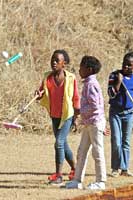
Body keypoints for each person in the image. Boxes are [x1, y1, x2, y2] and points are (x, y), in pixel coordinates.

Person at [36, 49, 80, 185]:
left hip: (67, 115)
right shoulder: (47, 77)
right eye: (52, 60)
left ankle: (59, 175)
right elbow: (41, 93)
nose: (53, 63)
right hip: (54, 115)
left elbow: (76, 98)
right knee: (63, 144)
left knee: (59, 143)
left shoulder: (71, 78)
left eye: (57, 61)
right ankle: (75, 168)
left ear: (64, 64)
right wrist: (38, 94)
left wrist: (76, 118)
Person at [65, 56, 107, 190]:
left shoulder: (92, 85)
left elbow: (95, 106)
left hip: (95, 123)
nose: (79, 69)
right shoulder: (88, 83)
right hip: (89, 123)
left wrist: (80, 110)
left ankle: (101, 181)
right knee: (82, 151)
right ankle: (77, 180)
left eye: (81, 66)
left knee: (97, 152)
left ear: (89, 69)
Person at [107, 51, 133, 177]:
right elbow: (110, 94)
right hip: (115, 112)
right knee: (116, 140)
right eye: (124, 64)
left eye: (129, 65)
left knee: (126, 141)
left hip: (129, 113)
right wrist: (118, 82)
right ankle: (115, 168)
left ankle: (125, 169)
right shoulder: (114, 75)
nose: (125, 67)